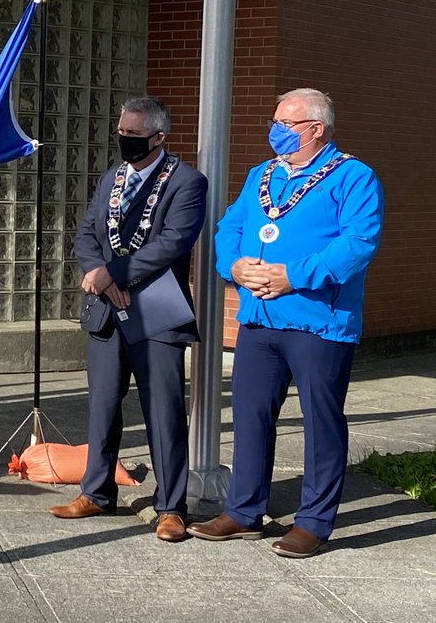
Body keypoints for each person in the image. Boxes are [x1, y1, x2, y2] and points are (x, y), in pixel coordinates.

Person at [189, 88, 383, 558]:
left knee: (321, 422)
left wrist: (293, 276)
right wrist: (232, 267)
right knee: (251, 417)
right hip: (259, 318)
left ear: (316, 129)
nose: (274, 130)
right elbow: (229, 228)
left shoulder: (354, 176)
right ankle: (243, 511)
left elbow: (358, 243)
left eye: (286, 123)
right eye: (274, 121)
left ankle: (314, 522)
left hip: (319, 321)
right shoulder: (263, 174)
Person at [50, 97, 207, 542]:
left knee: (164, 412)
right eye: (121, 132)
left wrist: (114, 273)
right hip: (106, 312)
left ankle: (171, 507)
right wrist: (98, 277)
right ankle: (96, 492)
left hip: (156, 313)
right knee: (102, 406)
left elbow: (173, 242)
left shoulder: (187, 182)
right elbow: (86, 234)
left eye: (134, 136)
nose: (125, 141)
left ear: (159, 137)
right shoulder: (112, 178)